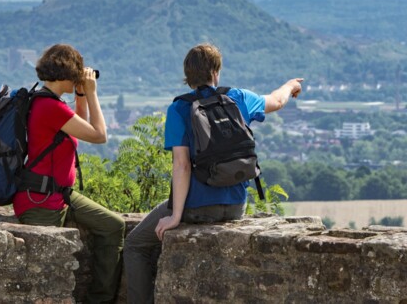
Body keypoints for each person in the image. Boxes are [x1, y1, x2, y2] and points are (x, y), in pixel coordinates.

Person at [123, 43, 303, 303]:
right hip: (235, 206)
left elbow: (182, 165)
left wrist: (175, 215)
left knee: (135, 244)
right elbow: (276, 101)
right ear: (216, 72)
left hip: (197, 208)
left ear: (187, 77)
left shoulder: (179, 109)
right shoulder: (238, 98)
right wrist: (290, 85)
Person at [13, 43, 125, 304]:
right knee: (47, 278)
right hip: (41, 202)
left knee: (113, 226)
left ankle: (100, 299)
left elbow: (78, 128)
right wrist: (93, 93)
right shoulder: (49, 107)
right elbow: (99, 135)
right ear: (66, 73)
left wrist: (81, 96)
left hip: (59, 196)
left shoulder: (47, 101)